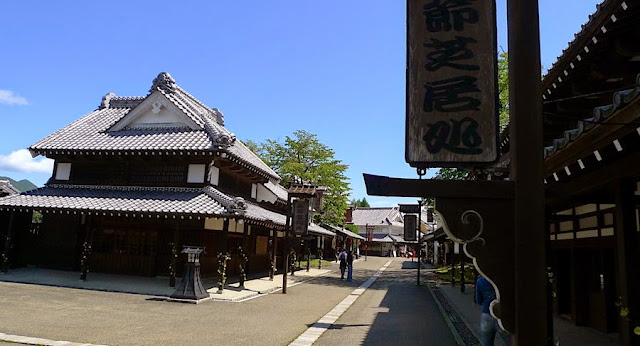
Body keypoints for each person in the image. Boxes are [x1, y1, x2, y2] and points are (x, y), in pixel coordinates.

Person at [475, 276, 509, 346]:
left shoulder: (480, 281)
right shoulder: (502, 280)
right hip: (501, 315)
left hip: (486, 315)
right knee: (509, 341)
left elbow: (479, 300)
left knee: (487, 343)